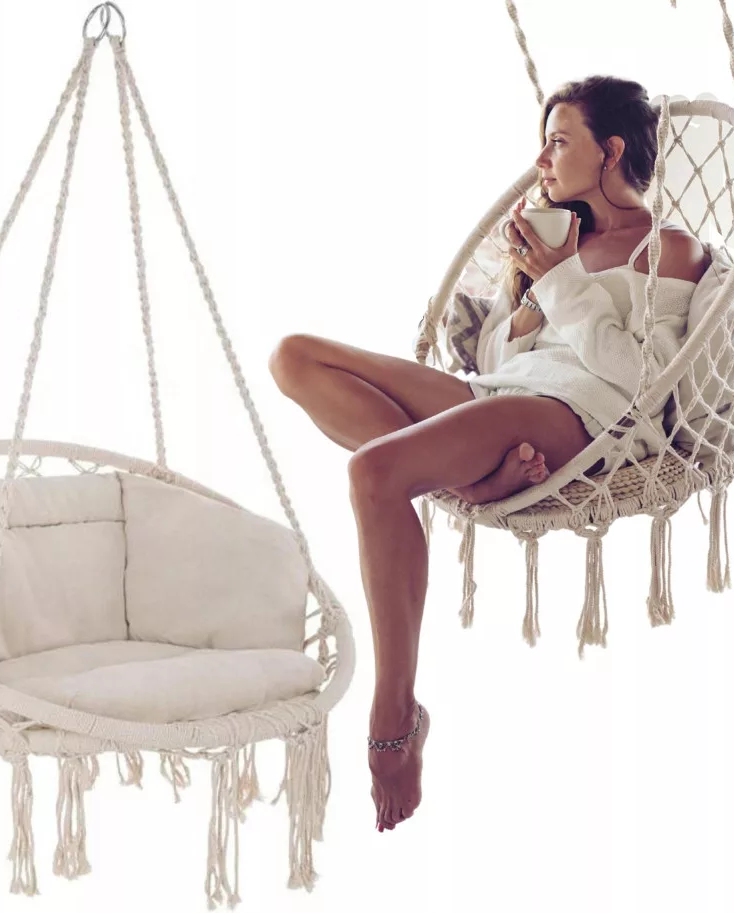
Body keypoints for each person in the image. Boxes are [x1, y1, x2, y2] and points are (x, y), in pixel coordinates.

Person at [267, 75, 710, 834]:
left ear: (610, 152)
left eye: (558, 141)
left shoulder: (666, 248)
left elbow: (637, 378)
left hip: (579, 416)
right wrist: (530, 294)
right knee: (295, 356)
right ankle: (474, 482)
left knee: (373, 472)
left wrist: (560, 281)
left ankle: (393, 715)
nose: (541, 158)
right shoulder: (558, 240)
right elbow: (505, 357)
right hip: (500, 396)